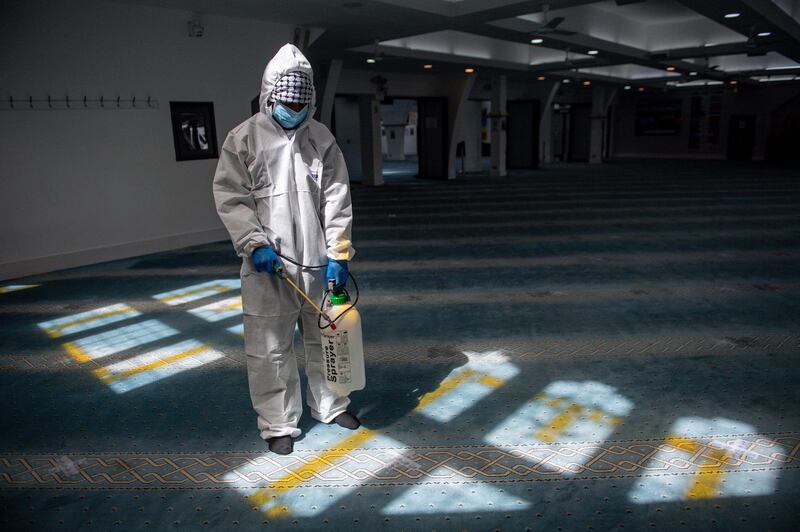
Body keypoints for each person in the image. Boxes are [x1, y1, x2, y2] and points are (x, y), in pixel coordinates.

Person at [213, 43, 359, 455]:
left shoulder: (321, 138)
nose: (294, 109)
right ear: (271, 95)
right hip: (267, 267)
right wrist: (251, 243)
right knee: (269, 348)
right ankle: (278, 422)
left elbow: (337, 197)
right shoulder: (243, 139)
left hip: (316, 262)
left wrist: (339, 253)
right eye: (288, 102)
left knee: (328, 338)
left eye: (301, 103)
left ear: (309, 100)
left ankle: (331, 405)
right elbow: (231, 197)